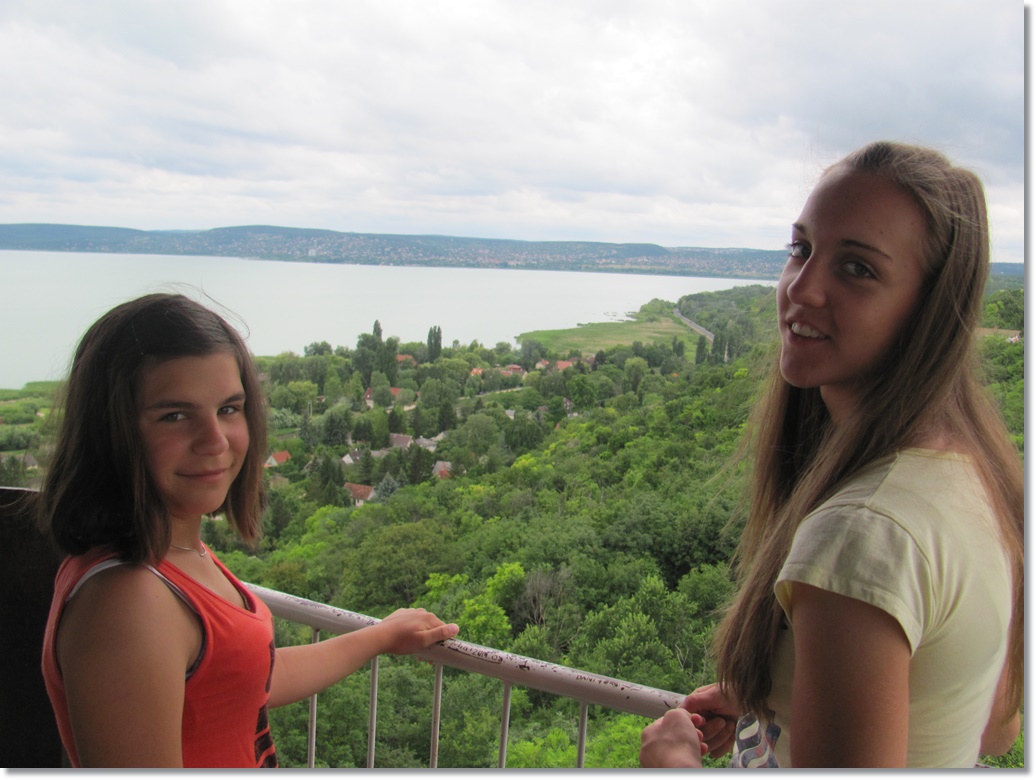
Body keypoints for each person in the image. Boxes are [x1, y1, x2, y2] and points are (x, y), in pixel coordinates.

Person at [639, 141, 1023, 768]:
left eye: (857, 269)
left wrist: (672, 766)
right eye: (801, 249)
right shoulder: (977, 477)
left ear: (928, 312)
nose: (803, 287)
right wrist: (786, 693)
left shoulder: (861, 535)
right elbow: (988, 728)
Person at [38, 293, 460, 768]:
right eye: (175, 416)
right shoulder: (128, 602)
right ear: (110, 430)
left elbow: (245, 678)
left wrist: (377, 637)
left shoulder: (173, 552)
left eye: (228, 409)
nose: (215, 441)